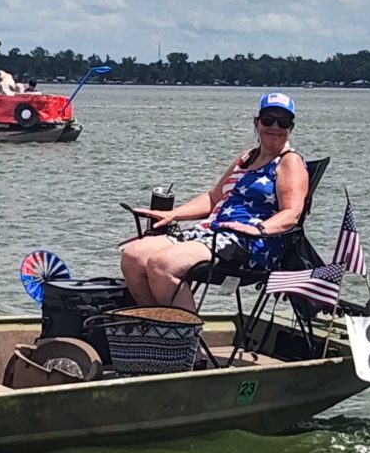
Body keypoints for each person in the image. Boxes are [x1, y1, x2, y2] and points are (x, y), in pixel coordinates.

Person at [119, 92, 310, 310]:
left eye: (282, 122)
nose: (274, 126)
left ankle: (188, 341)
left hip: (247, 245)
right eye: (268, 120)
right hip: (212, 233)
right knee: (133, 256)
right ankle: (157, 330)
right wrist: (173, 214)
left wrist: (258, 229)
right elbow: (213, 198)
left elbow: (292, 213)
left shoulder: (289, 162)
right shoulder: (248, 157)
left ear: (290, 128)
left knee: (162, 264)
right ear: (257, 123)